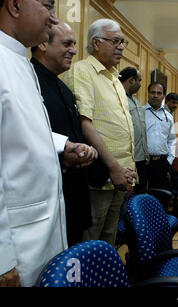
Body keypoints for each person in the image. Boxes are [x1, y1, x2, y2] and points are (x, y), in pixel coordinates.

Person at [0, 0, 93, 287]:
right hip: (17, 245)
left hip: (43, 232)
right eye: (48, 7)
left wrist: (62, 146)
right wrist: (2, 259)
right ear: (15, 5)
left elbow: (20, 130)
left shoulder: (20, 62)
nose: (54, 19)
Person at [61, 18, 137, 246]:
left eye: (123, 41)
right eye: (115, 41)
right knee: (90, 244)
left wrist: (126, 171)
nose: (121, 46)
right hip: (99, 175)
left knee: (109, 240)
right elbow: (85, 124)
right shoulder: (82, 71)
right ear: (96, 43)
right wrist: (113, 167)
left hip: (120, 177)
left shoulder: (114, 78)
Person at [31, 22, 98, 247]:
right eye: (67, 44)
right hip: (45, 201)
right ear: (42, 44)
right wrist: (63, 157)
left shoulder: (63, 88)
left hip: (74, 197)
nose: (73, 50)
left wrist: (86, 151)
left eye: (75, 44)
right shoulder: (30, 83)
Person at [119, 66, 149, 194]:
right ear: (131, 80)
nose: (141, 85)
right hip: (128, 158)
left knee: (140, 191)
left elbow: (141, 127)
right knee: (127, 194)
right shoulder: (119, 98)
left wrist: (145, 149)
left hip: (141, 157)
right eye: (139, 81)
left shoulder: (135, 100)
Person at [145, 82, 176, 190]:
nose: (155, 95)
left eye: (159, 93)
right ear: (148, 93)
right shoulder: (140, 113)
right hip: (143, 162)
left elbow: (172, 141)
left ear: (163, 96)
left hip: (162, 162)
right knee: (141, 195)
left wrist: (169, 161)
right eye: (153, 92)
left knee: (161, 196)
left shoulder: (168, 117)